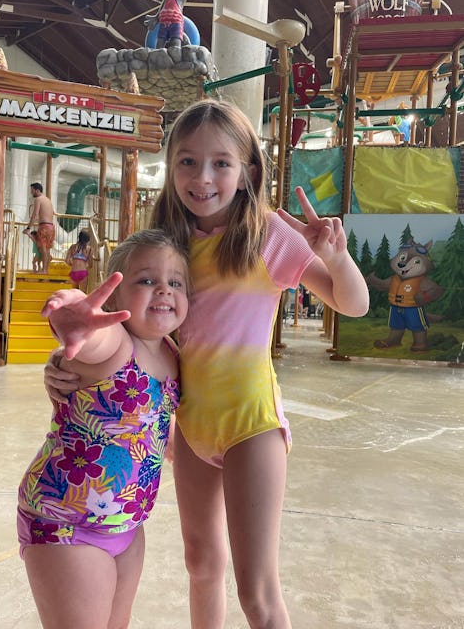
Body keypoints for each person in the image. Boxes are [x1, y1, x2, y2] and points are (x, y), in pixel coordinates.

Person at [45, 99, 369, 628]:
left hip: (251, 426)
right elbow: (125, 334)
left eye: (221, 162)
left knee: (257, 592)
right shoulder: (168, 247)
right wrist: (64, 365)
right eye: (187, 162)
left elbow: (352, 304)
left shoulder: (266, 236)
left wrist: (336, 256)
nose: (203, 177)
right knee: (201, 563)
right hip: (192, 428)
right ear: (171, 168)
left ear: (247, 173)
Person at [18, 228, 189, 629]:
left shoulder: (172, 353)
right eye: (146, 280)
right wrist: (73, 315)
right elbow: (91, 335)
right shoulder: (115, 345)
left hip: (128, 524)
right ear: (112, 297)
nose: (163, 289)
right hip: (66, 522)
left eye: (175, 282)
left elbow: (156, 432)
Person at [23, 182, 55, 274]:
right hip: (51, 226)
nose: (31, 193)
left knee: (43, 249)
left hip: (44, 226)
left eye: (32, 191)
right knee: (47, 249)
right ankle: (46, 269)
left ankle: (44, 270)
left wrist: (28, 228)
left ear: (37, 190)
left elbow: (35, 214)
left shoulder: (38, 199)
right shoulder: (48, 200)